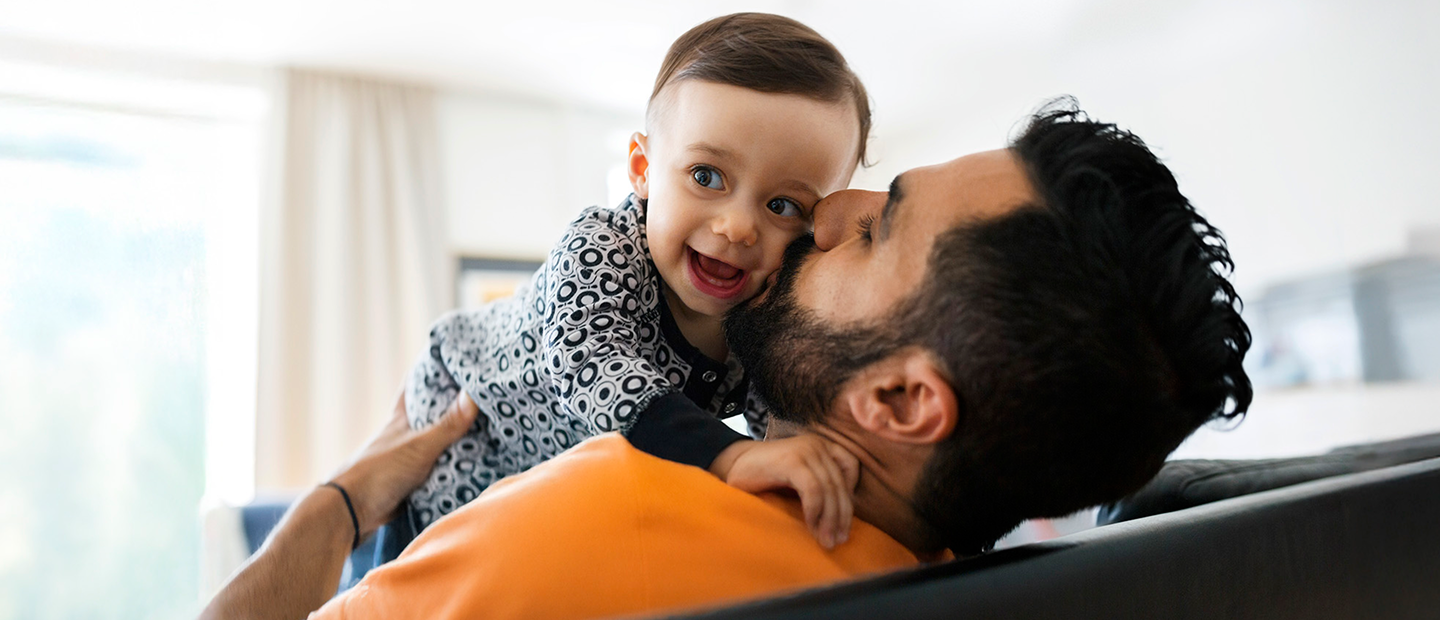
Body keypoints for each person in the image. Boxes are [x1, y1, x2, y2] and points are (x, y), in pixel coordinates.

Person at [201, 103, 1252, 620]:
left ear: (898, 397)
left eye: (876, 229)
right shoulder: (937, 582)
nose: (825, 210)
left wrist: (336, 501)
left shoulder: (607, 510)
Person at [402, 12, 871, 550]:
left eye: (783, 204)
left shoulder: (771, 303)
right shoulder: (601, 249)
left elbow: (781, 420)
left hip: (559, 469)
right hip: (462, 420)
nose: (739, 227)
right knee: (441, 556)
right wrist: (733, 454)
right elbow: (591, 368)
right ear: (643, 168)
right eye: (706, 176)